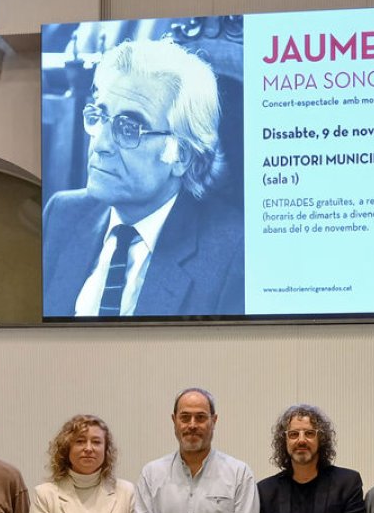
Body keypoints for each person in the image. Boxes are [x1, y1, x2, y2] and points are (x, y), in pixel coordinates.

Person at [43, 37, 244, 318]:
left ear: (181, 155)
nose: (100, 144)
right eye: (99, 116)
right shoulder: (61, 214)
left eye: (129, 128)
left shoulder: (233, 252)